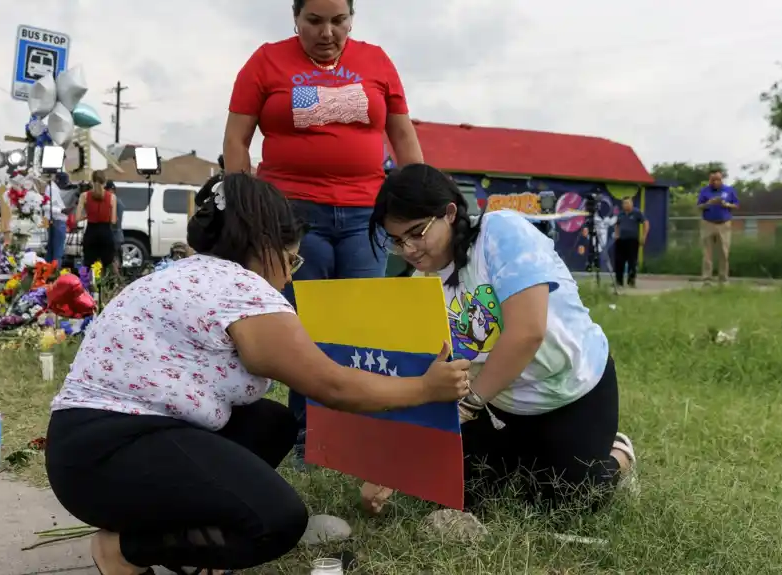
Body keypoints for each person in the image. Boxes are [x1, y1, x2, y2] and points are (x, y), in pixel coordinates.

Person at [45, 173, 471, 574]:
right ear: (263, 242)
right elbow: (331, 385)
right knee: (277, 520)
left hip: (84, 453)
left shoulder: (185, 274)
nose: (288, 276)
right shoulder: (240, 289)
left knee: (271, 422)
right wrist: (423, 388)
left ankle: (189, 540)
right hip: (112, 455)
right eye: (290, 260)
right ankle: (123, 550)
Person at [362, 164, 637, 514]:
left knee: (570, 504)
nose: (410, 249)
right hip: (498, 404)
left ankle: (618, 453)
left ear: (448, 213)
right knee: (456, 495)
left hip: (568, 389)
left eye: (417, 232)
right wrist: (393, 466)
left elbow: (527, 332)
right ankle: (523, 456)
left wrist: (467, 407)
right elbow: (426, 376)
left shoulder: (501, 231)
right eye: (398, 241)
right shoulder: (421, 281)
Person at [223, 0, 425, 458]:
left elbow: (403, 137)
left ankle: (358, 435)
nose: (327, 31)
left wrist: (425, 199)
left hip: (365, 217)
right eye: (314, 20)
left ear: (352, 18)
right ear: (295, 18)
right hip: (292, 219)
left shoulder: (377, 62)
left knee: (361, 329)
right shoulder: (265, 61)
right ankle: (308, 438)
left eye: (339, 20)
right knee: (303, 330)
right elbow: (236, 139)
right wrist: (242, 207)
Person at [696, 169, 738, 285]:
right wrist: (708, 203)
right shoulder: (704, 191)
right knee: (707, 253)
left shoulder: (729, 190)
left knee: (724, 252)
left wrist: (726, 204)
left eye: (717, 179)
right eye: (712, 180)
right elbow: (699, 206)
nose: (715, 182)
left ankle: (723, 278)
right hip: (708, 223)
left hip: (724, 224)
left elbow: (736, 205)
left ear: (721, 179)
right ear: (709, 180)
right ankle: (707, 279)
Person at [74, 171, 117, 269]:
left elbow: (77, 218)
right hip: (106, 232)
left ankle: (88, 283)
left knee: (89, 264)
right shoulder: (112, 197)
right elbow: (113, 220)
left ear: (91, 182)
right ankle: (107, 284)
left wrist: (87, 216)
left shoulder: (84, 196)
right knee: (107, 265)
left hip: (91, 232)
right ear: (104, 182)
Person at [612, 198, 649, 287]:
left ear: (631, 204)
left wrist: (644, 236)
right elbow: (617, 224)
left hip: (632, 240)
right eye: (624, 203)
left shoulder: (637, 213)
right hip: (621, 240)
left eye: (628, 203)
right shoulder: (620, 214)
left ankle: (631, 281)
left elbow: (646, 223)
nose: (626, 205)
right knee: (619, 261)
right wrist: (616, 234)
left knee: (632, 261)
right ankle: (619, 281)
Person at [43, 172, 70, 266]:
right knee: (57, 252)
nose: (65, 185)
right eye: (64, 183)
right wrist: (61, 210)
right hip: (57, 221)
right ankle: (56, 275)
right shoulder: (51, 189)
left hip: (56, 221)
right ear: (58, 180)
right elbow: (45, 206)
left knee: (51, 251)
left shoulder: (54, 189)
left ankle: (48, 274)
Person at [108, 181, 126, 275]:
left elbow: (116, 223)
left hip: (114, 235)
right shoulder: (115, 201)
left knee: (113, 260)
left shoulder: (116, 203)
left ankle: (117, 281)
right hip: (114, 235)